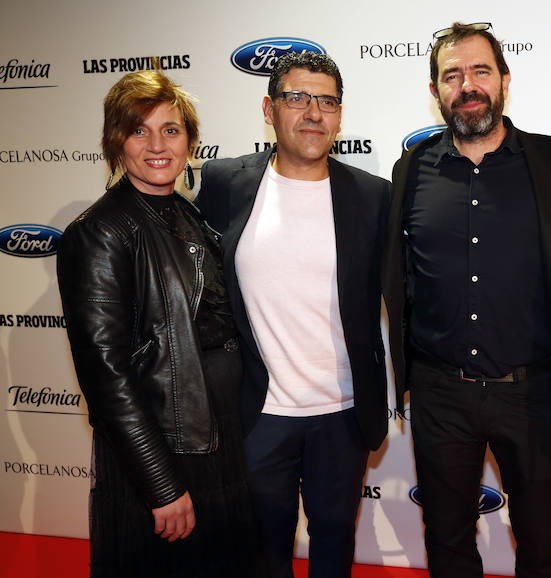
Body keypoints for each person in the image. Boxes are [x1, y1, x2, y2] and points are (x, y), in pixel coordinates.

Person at [383, 22, 551, 578]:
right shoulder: (410, 172)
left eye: (480, 71)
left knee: (543, 543)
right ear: (436, 90)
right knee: (447, 543)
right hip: (441, 393)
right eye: (452, 75)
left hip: (535, 394)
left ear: (505, 80)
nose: (467, 85)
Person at [57, 70, 262, 578]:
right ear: (115, 141)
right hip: (165, 455)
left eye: (170, 130)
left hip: (217, 443)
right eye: (138, 130)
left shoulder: (189, 216)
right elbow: (107, 379)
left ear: (190, 141)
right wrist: (161, 485)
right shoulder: (100, 233)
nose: (156, 145)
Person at [194, 51, 390, 578]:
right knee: (261, 554)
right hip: (258, 414)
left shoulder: (373, 197)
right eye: (297, 98)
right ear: (269, 108)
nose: (312, 113)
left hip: (343, 415)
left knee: (333, 548)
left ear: (340, 115)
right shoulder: (223, 183)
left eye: (326, 101)